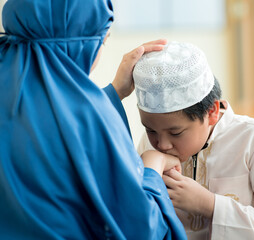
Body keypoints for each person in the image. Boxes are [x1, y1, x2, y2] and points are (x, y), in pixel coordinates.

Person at [0, 0, 187, 239]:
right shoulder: (90, 116)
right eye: (103, 40)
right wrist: (152, 167)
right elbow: (141, 228)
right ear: (82, 44)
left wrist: (114, 91)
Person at [134, 41, 254, 239]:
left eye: (176, 133)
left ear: (212, 112)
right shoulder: (149, 147)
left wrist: (209, 204)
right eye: (150, 130)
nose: (162, 145)